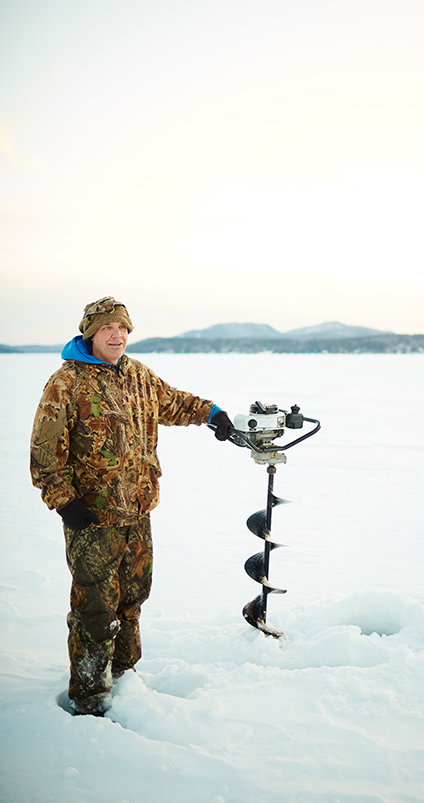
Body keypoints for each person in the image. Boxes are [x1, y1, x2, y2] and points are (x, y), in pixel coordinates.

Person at [30, 296, 233, 716]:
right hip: (92, 520)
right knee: (95, 610)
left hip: (138, 513)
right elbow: (44, 452)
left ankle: (123, 677)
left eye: (123, 328)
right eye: (108, 329)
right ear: (91, 333)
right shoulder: (66, 383)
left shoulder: (137, 375)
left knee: (133, 597)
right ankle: (89, 698)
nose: (117, 335)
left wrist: (211, 413)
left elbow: (172, 401)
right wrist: (65, 503)